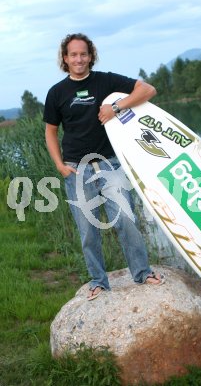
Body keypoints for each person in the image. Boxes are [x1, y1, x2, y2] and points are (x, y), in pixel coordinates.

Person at [44, 33, 164, 300]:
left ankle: (142, 272)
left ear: (91, 56)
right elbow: (50, 132)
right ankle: (98, 281)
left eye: (83, 54)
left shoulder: (105, 81)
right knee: (87, 230)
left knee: (127, 221)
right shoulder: (56, 93)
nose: (79, 59)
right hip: (77, 169)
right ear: (65, 58)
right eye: (73, 54)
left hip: (110, 165)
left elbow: (148, 90)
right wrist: (60, 166)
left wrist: (116, 107)